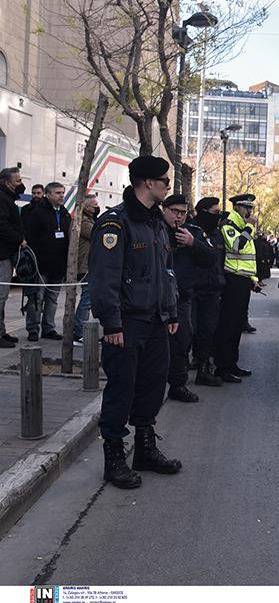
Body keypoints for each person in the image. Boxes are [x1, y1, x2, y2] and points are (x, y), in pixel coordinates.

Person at [89, 156, 181, 489]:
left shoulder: (157, 223)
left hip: (156, 322)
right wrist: (112, 324)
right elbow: (104, 279)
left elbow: (166, 273)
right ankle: (114, 459)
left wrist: (170, 312)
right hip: (126, 324)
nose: (167, 187)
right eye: (164, 181)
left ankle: (144, 449)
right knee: (121, 390)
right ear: (147, 183)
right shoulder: (116, 223)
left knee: (153, 388)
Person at [162, 195, 215, 402]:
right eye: (175, 211)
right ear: (164, 210)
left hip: (181, 299)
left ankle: (177, 384)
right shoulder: (154, 229)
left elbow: (210, 258)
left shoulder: (192, 232)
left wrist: (194, 244)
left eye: (183, 213)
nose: (179, 216)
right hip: (155, 299)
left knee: (182, 342)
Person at [213, 194, 261, 382]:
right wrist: (249, 227)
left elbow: (247, 260)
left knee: (236, 326)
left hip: (242, 281)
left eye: (251, 208)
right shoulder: (229, 225)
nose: (250, 212)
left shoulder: (241, 227)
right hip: (232, 281)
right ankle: (222, 367)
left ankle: (232, 364)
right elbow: (236, 248)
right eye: (246, 208)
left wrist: (253, 279)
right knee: (228, 325)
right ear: (236, 208)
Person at [22, 182, 71, 341]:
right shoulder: (38, 213)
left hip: (58, 264)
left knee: (52, 299)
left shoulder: (64, 213)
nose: (61, 195)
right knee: (37, 298)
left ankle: (48, 328)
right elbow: (31, 237)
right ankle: (33, 329)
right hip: (41, 264)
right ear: (48, 195)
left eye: (62, 192)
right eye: (57, 193)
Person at [190, 197, 225, 386]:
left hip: (212, 289)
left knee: (207, 331)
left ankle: (203, 367)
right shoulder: (191, 230)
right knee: (189, 330)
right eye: (214, 213)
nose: (217, 217)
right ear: (202, 212)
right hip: (193, 288)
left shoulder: (217, 234)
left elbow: (220, 261)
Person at [0, 167, 26, 348]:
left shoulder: (8, 198)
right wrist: (19, 239)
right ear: (6, 183)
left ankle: (2, 331)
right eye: (17, 181)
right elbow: (2, 225)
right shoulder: (2, 199)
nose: (21, 184)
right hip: (1, 255)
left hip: (6, 254)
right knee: (0, 296)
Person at [72, 194, 99, 345]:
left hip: (89, 265)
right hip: (85, 266)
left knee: (88, 299)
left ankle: (79, 331)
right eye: (94, 205)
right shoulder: (82, 221)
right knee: (86, 299)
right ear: (86, 207)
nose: (96, 208)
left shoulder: (89, 219)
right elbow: (95, 232)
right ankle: (78, 332)